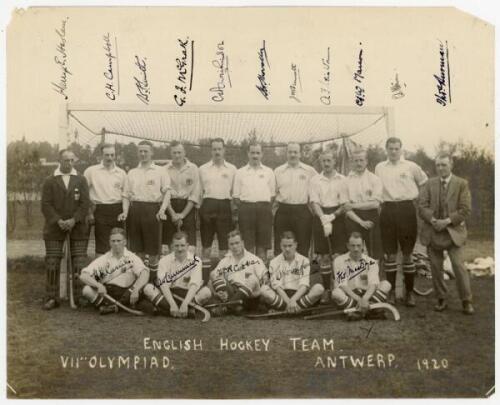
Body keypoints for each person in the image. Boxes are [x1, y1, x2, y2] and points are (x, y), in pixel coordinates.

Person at [375, 137, 428, 307]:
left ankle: (410, 292)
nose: (393, 151)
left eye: (396, 148)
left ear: (401, 149)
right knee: (390, 254)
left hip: (406, 210)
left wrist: (421, 204)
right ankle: (391, 292)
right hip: (388, 210)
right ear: (386, 149)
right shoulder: (379, 167)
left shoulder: (411, 166)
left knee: (407, 254)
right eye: (390, 148)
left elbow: (424, 184)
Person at [418, 153, 474, 314]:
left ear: (451, 165)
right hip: (433, 230)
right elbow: (422, 206)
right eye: (438, 165)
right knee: (435, 267)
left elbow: (465, 209)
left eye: (444, 165)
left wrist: (447, 221)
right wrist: (434, 220)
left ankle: (466, 301)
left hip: (453, 231)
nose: (441, 168)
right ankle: (441, 299)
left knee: (458, 266)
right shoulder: (429, 184)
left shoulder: (462, 184)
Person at [41, 149, 90, 310]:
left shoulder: (81, 179)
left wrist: (73, 220)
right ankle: (51, 298)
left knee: (79, 262)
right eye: (66, 160)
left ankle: (80, 296)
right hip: (55, 228)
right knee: (52, 262)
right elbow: (45, 205)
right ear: (59, 161)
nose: (69, 163)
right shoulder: (50, 180)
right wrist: (58, 221)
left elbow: (85, 204)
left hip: (77, 227)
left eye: (71, 160)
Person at [122, 140, 171, 281]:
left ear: (152, 152)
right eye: (140, 151)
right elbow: (125, 195)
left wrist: (162, 210)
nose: (143, 154)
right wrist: (125, 212)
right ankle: (139, 282)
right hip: (135, 210)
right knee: (137, 250)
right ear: (138, 153)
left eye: (146, 151)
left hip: (152, 211)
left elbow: (167, 193)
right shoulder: (132, 172)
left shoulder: (160, 171)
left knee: (153, 250)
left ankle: (153, 282)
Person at [79, 227, 154, 315]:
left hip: (127, 292)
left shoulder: (131, 257)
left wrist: (136, 290)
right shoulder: (104, 258)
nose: (116, 244)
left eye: (119, 241)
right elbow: (83, 275)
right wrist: (98, 285)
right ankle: (120, 307)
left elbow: (145, 273)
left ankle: (113, 307)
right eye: (113, 241)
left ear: (125, 242)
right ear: (109, 243)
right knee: (86, 290)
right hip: (108, 293)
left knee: (149, 305)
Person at [309, 149, 348, 303]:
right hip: (321, 216)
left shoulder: (343, 179)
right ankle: (326, 289)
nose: (326, 164)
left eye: (329, 161)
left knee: (338, 256)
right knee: (324, 256)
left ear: (334, 162)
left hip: (338, 217)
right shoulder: (315, 180)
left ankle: (339, 289)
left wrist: (333, 216)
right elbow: (314, 202)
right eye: (323, 161)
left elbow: (345, 204)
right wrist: (324, 218)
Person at [143, 232, 212, 318]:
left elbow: (194, 285)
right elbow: (163, 285)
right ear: (172, 246)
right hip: (169, 295)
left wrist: (185, 304)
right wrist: (172, 304)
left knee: (206, 292)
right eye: (176, 246)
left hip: (188, 294)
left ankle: (165, 310)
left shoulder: (196, 260)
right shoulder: (164, 261)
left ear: (187, 246)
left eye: (182, 245)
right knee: (148, 288)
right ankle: (188, 311)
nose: (180, 249)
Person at [199, 138, 237, 282]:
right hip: (208, 206)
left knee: (224, 247)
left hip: (225, 208)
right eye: (214, 149)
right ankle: (205, 280)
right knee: (206, 247)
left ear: (224, 150)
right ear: (211, 150)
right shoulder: (202, 169)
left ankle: (224, 280)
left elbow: (235, 192)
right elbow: (199, 192)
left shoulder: (232, 169)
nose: (217, 152)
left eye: (219, 149)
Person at [331, 232, 392, 320]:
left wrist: (364, 299)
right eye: (353, 245)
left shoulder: (371, 261)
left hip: (367, 294)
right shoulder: (339, 260)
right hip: (349, 294)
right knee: (336, 293)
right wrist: (359, 300)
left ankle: (355, 310)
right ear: (348, 246)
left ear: (363, 245)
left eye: (358, 245)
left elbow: (373, 284)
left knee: (386, 284)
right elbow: (343, 285)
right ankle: (371, 310)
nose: (356, 249)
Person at [261, 231, 324, 313]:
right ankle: (297, 308)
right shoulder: (274, 262)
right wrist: (289, 302)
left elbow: (304, 286)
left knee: (319, 288)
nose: (287, 249)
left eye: (290, 246)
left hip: (299, 296)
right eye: (284, 246)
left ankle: (286, 308)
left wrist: (293, 300)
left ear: (295, 245)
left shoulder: (304, 260)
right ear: (280, 246)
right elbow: (277, 287)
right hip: (282, 296)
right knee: (263, 289)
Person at [233, 142, 275, 262]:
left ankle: (261, 276)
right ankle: (248, 276)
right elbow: (236, 197)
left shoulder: (269, 172)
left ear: (262, 154)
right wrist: (247, 208)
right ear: (248, 154)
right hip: (246, 210)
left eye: (257, 153)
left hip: (264, 210)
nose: (255, 156)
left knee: (262, 246)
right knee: (248, 245)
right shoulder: (240, 172)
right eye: (252, 153)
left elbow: (272, 196)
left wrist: (262, 207)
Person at [273, 143, 317, 257]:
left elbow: (318, 187)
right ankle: (280, 272)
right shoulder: (278, 171)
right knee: (281, 245)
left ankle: (301, 271)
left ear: (300, 154)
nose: (293, 155)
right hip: (283, 211)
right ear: (286, 153)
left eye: (295, 152)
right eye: (290, 152)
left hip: (302, 210)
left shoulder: (310, 171)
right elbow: (273, 192)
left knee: (303, 244)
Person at [209, 230, 268, 314]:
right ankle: (235, 307)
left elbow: (265, 278)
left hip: (250, 296)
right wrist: (218, 293)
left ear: (242, 243)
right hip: (232, 293)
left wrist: (262, 295)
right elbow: (212, 280)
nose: (235, 246)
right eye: (231, 244)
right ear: (228, 245)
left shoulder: (254, 259)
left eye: (237, 243)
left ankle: (227, 307)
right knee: (214, 274)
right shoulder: (225, 260)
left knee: (252, 279)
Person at [84, 143, 127, 256]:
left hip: (117, 209)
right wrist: (90, 212)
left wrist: (124, 212)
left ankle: (117, 272)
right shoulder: (91, 171)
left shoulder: (121, 173)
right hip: (100, 209)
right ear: (101, 155)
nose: (110, 158)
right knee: (102, 247)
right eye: (107, 155)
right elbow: (84, 193)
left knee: (117, 244)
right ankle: (101, 273)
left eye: (112, 155)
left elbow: (125, 195)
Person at [344, 148, 383, 261]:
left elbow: (375, 204)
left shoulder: (374, 179)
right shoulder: (346, 180)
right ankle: (355, 277)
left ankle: (374, 277)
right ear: (352, 162)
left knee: (374, 253)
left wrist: (354, 205)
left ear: (366, 161)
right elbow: (346, 207)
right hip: (353, 218)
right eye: (356, 161)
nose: (359, 163)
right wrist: (361, 222)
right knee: (354, 251)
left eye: (361, 160)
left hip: (371, 216)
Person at [163, 141, 200, 252]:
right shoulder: (164, 169)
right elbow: (163, 193)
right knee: (171, 246)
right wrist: (173, 214)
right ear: (170, 153)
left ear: (184, 153)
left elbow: (195, 193)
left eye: (179, 152)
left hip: (187, 207)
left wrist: (182, 215)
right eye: (174, 152)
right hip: (169, 207)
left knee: (190, 246)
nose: (177, 155)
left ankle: (188, 268)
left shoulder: (193, 168)